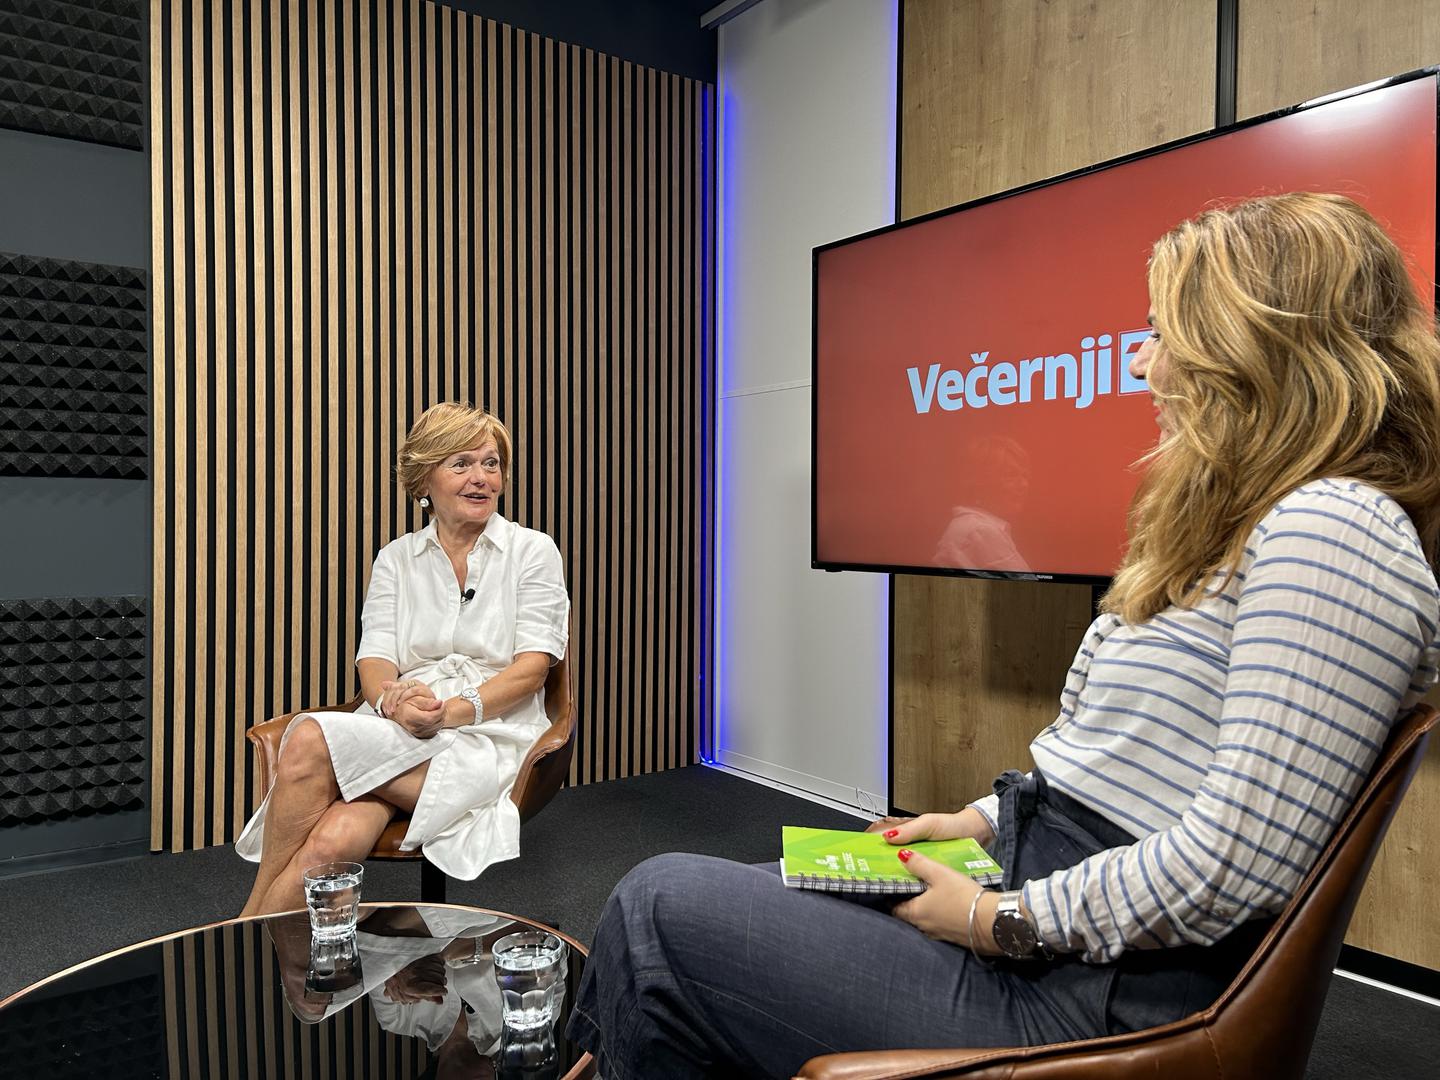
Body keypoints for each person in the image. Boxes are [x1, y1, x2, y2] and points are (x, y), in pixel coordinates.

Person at [566, 193, 1440, 1078]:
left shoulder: (1336, 528)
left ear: (1250, 346)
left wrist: (997, 920)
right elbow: (1119, 761)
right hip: (1055, 919)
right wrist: (979, 823)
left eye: (1162, 334)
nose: (1141, 362)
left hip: (1089, 992)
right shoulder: (1252, 525)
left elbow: (1234, 865)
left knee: (657, 909)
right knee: (725, 911)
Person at [237, 402, 569, 916]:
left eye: (491, 463)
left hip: (491, 735)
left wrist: (447, 711)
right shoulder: (395, 559)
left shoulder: (533, 550)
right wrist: (392, 703)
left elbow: (531, 670)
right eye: (461, 463)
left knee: (308, 738)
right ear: (424, 479)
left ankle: (241, 930)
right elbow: (375, 660)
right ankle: (289, 964)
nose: (481, 478)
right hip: (401, 726)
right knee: (333, 840)